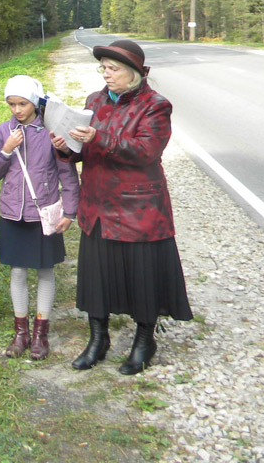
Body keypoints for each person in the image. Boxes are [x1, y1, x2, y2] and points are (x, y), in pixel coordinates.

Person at [53, 39, 192, 375]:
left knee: (142, 277)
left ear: (133, 73)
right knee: (97, 277)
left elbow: (147, 151)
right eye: (103, 68)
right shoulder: (94, 100)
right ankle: (98, 339)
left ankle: (144, 341)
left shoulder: (155, 106)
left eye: (113, 69)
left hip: (138, 208)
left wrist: (97, 138)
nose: (106, 74)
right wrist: (66, 146)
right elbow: (84, 151)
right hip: (97, 204)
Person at [0, 75, 79, 360]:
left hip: (43, 214)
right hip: (13, 214)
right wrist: (5, 150)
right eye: (11, 104)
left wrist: (70, 212)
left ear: (35, 103)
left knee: (46, 270)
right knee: (17, 272)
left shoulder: (50, 133)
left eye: (23, 104)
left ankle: (41, 333)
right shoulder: (3, 131)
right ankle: (21, 333)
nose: (17, 110)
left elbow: (67, 175)